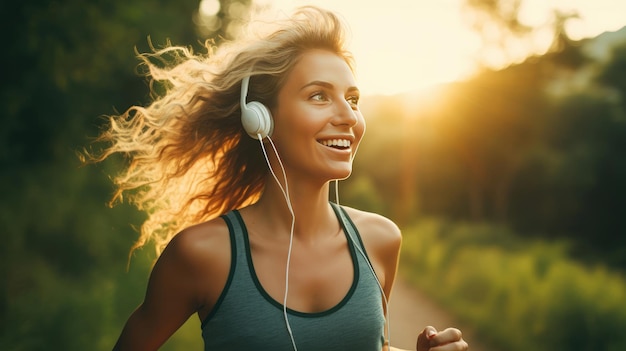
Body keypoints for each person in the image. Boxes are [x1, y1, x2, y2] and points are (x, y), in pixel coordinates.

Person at [89, 5, 468, 351]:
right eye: (319, 96)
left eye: (352, 99)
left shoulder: (381, 239)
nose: (349, 117)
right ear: (261, 119)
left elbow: (374, 346)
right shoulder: (202, 254)